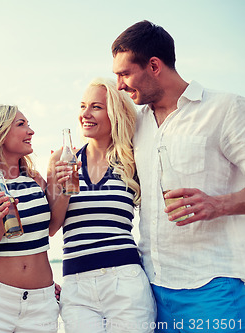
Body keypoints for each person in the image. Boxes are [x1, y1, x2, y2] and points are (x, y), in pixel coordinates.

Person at [112, 20, 245, 332]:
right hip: (150, 289)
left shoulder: (225, 109)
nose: (119, 85)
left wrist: (219, 205)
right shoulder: (134, 124)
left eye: (125, 73)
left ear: (154, 66)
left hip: (214, 286)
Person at [47, 78, 156, 332]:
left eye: (95, 107)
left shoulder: (132, 159)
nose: (85, 114)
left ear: (114, 114)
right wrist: (64, 190)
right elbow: (52, 227)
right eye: (83, 106)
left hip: (125, 281)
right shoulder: (61, 160)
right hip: (76, 286)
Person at [0, 105, 60, 333]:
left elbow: (52, 229)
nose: (31, 131)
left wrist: (62, 185)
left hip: (42, 303)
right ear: (0, 133)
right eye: (21, 124)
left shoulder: (36, 180)